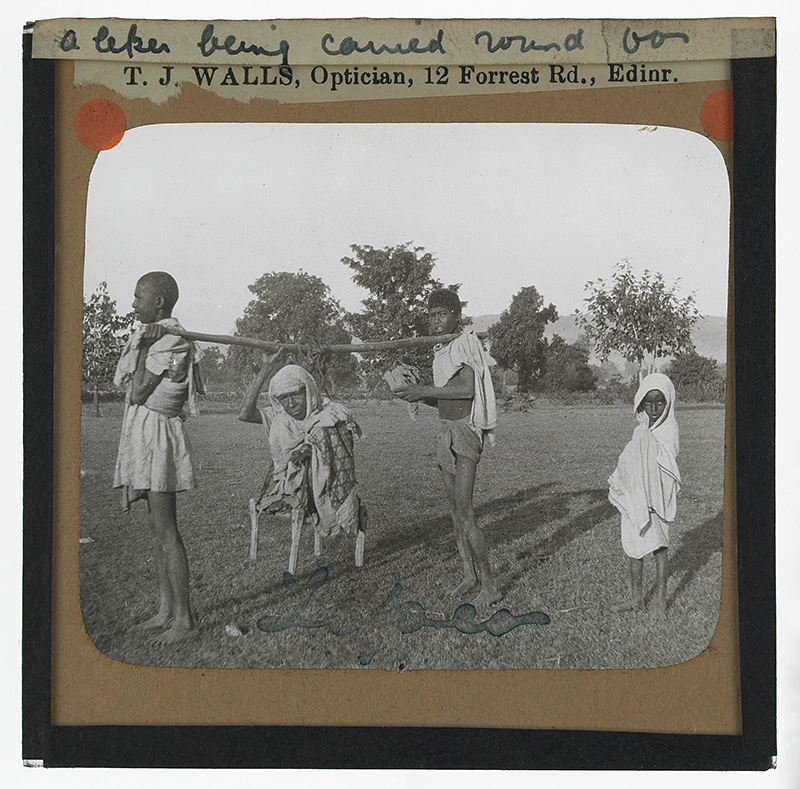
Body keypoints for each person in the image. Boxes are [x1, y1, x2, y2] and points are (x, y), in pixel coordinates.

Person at [113, 271, 202, 643]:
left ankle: (184, 620)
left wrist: (150, 345)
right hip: (142, 434)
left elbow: (136, 392)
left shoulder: (174, 343)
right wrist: (145, 343)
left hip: (158, 438)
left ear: (159, 303)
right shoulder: (154, 338)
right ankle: (165, 610)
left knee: (168, 532)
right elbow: (130, 387)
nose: (133, 304)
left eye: (138, 298)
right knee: (155, 532)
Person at [396, 288, 500, 606]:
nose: (436, 321)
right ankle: (469, 575)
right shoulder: (440, 352)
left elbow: (466, 390)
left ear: (456, 317)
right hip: (445, 432)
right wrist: (413, 394)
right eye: (431, 315)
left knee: (466, 511)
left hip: (465, 433)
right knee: (455, 512)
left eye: (442, 314)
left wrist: (424, 388)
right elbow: (444, 398)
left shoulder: (464, 345)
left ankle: (490, 586)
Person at [238, 360, 362, 542]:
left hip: (327, 489)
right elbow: (245, 414)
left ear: (308, 390)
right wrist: (265, 367)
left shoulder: (329, 412)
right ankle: (291, 497)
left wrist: (311, 448)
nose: (291, 404)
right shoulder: (280, 418)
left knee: (325, 431)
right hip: (290, 490)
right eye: (283, 398)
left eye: (296, 394)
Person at [608, 372, 681, 617]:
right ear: (640, 403)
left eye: (659, 402)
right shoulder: (640, 430)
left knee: (659, 548)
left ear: (668, 402)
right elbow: (631, 462)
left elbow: (665, 466)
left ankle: (660, 600)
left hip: (656, 499)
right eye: (648, 403)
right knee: (634, 549)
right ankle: (636, 598)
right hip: (637, 497)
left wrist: (650, 496)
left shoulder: (668, 431)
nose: (653, 408)